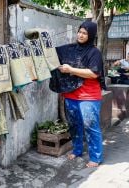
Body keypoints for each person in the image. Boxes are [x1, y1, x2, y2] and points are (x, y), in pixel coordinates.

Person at [56, 21, 104, 168]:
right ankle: (77, 150)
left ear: (91, 36)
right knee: (74, 125)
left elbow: (93, 73)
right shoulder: (71, 49)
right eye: (80, 32)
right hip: (71, 94)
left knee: (90, 126)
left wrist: (70, 69)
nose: (81, 35)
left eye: (85, 33)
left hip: (89, 96)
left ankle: (96, 157)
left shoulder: (94, 52)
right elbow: (53, 54)